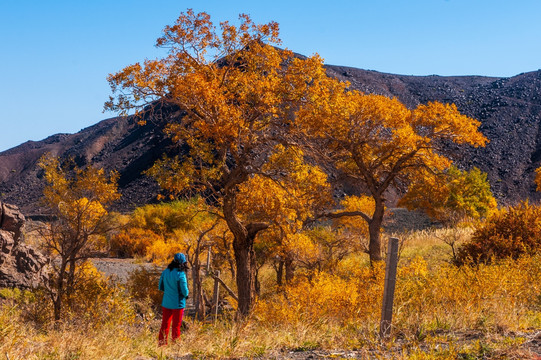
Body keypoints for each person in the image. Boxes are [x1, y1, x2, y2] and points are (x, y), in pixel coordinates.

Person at [158, 252, 189, 345]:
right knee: (176, 326)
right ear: (182, 263)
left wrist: (168, 291)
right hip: (178, 304)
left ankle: (162, 345)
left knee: (164, 325)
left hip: (166, 302)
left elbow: (160, 287)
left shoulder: (165, 272)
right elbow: (185, 291)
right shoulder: (181, 274)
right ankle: (176, 346)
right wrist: (186, 295)